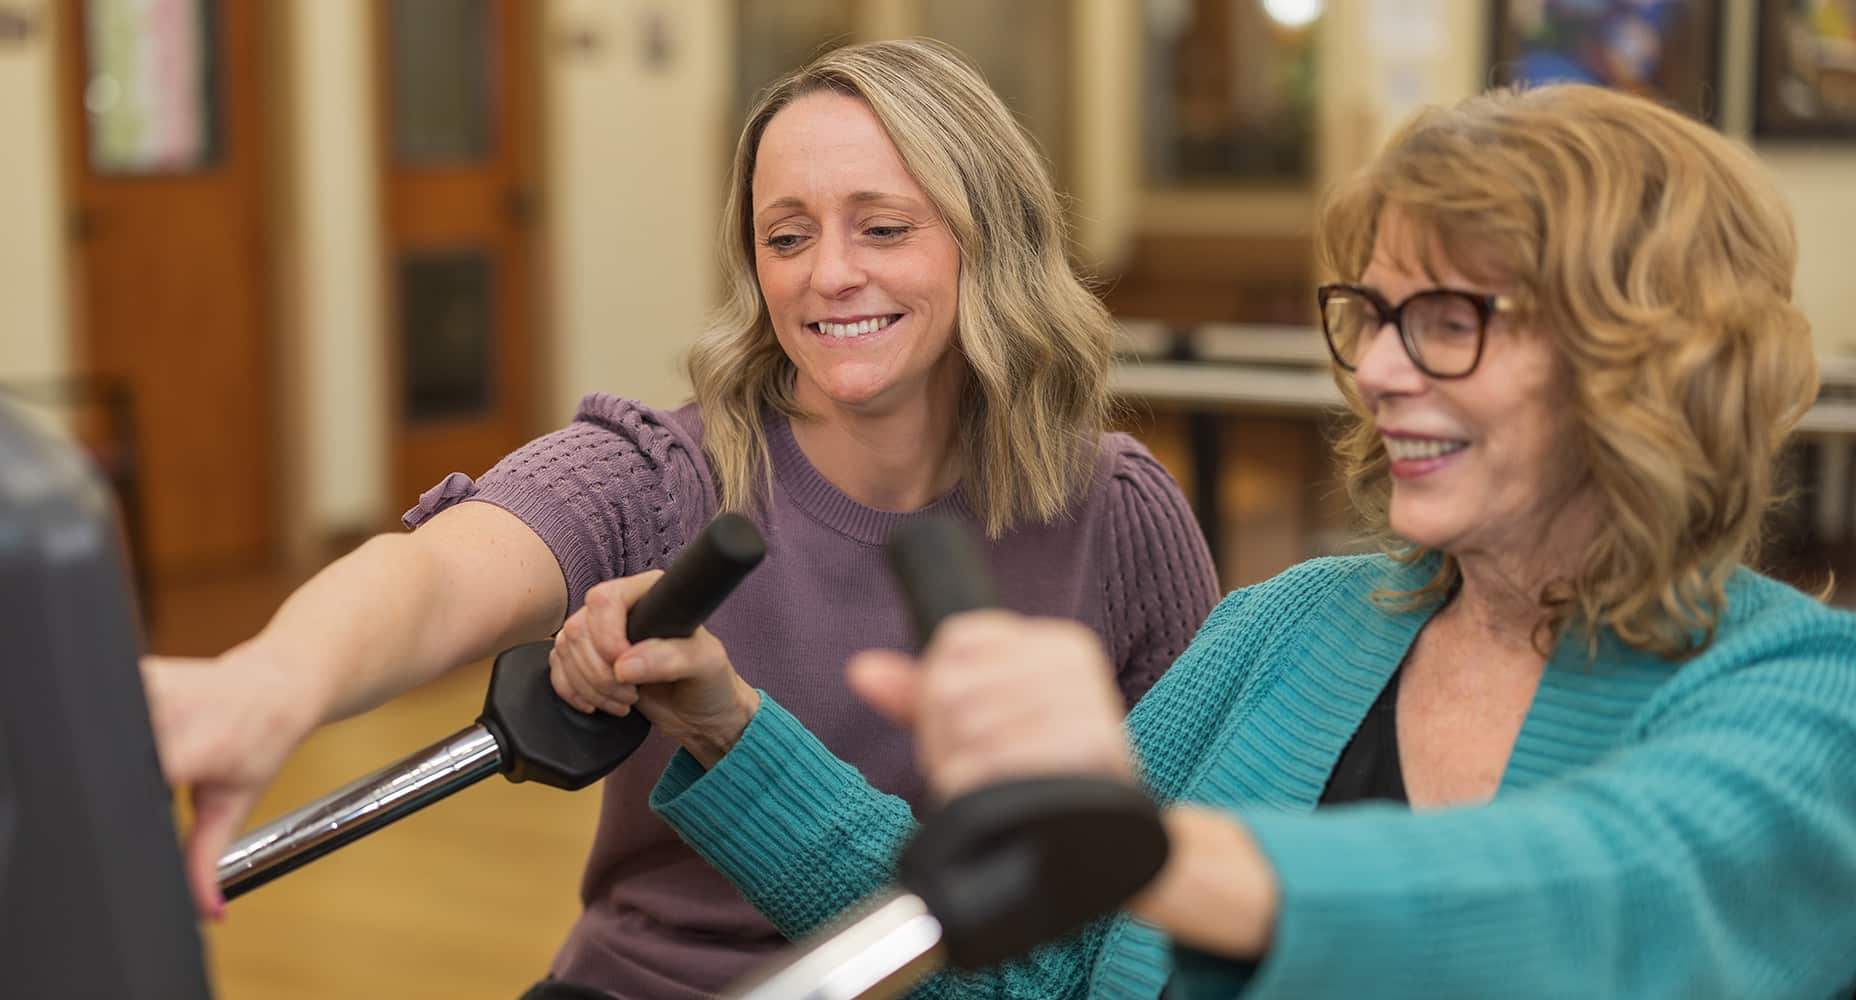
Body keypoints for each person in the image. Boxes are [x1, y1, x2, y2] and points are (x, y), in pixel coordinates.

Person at [637, 83, 1856, 997]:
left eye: (1445, 319)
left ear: (1644, 363)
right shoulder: (1286, 628)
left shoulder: (1800, 691)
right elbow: (1028, 964)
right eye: (1371, 315)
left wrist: (1152, 858)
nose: (1375, 371)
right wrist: (727, 727)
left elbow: (1597, 904)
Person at [140, 39, 1219, 1000]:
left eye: (883, 228)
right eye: (785, 237)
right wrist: (269, 683)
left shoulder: (1118, 514)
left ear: (992, 241)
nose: (829, 275)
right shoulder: (663, 474)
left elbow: (1192, 867)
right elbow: (438, 574)